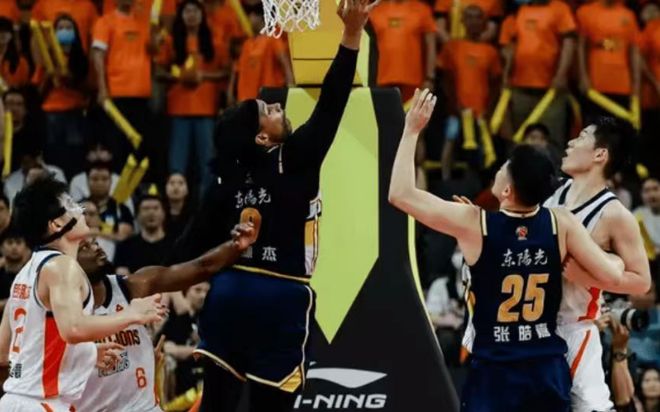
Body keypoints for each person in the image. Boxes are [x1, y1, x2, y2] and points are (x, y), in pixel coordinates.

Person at [170, 1, 376, 410]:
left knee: (216, 406)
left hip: (228, 294)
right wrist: (352, 34)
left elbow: (190, 242)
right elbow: (332, 102)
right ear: (262, 139)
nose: (279, 107)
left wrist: (157, 289)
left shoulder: (226, 179)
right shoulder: (293, 158)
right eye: (269, 111)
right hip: (281, 294)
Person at [389, 89, 627, 411]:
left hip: (496, 372)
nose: (499, 169)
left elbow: (400, 194)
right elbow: (612, 275)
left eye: (504, 167)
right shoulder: (561, 222)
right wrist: (609, 259)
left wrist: (411, 130)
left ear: (506, 190)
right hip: (546, 370)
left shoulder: (474, 223)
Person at [0, 176, 165, 411]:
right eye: (70, 205)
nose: (80, 209)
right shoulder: (62, 266)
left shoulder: (25, 273)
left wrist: (87, 354)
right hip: (41, 404)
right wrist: (133, 314)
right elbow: (74, 328)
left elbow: (3, 353)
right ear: (56, 224)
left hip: (15, 401)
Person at [72, 220, 256, 412]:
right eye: (84, 248)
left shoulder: (131, 286)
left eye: (94, 242)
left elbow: (201, 267)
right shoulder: (62, 313)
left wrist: (236, 245)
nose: (96, 248)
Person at [544, 117, 652, 412]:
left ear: (600, 154)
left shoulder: (614, 214)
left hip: (574, 326)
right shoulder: (552, 191)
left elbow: (641, 281)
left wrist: (586, 276)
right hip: (533, 324)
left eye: (580, 137)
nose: (570, 143)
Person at [157, 0, 227, 195]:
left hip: (206, 110)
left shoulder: (214, 41)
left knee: (207, 164)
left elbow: (226, 71)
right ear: (180, 15)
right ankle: (175, 202)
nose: (191, 15)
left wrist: (202, 76)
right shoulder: (171, 41)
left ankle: (207, 203)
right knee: (177, 164)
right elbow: (158, 71)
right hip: (178, 110)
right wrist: (181, 77)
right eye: (187, 11)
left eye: (195, 11)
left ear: (202, 14)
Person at [33, 14, 90, 180]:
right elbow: (36, 93)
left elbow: (90, 88)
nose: (64, 31)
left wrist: (70, 78)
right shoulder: (46, 57)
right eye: (60, 28)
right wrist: (48, 77)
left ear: (75, 32)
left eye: (68, 27)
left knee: (75, 156)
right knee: (52, 155)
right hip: (51, 113)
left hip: (74, 113)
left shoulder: (81, 59)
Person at [576, 0, 641, 120]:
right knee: (594, 127)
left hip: (622, 85)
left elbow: (634, 50)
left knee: (618, 127)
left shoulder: (628, 15)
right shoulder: (585, 12)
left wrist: (636, 84)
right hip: (594, 84)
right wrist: (583, 77)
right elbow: (580, 46)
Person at [369, 0, 436, 101]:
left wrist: (429, 78)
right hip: (380, 80)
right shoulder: (374, 10)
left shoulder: (422, 10)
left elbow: (430, 46)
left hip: (413, 83)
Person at [231, 5, 294, 103]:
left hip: (268, 100)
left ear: (260, 17)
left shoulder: (273, 40)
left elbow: (285, 64)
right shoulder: (247, 44)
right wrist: (231, 91)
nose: (249, 19)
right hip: (245, 101)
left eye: (252, 15)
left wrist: (291, 91)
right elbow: (237, 71)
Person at [159, 282, 209, 396]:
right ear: (186, 292)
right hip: (182, 389)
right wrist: (202, 349)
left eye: (207, 292)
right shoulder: (177, 321)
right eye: (197, 290)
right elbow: (169, 349)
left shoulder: (209, 320)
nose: (203, 295)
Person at [114, 195, 172, 275]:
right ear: (137, 215)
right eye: (146, 209)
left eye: (156, 208)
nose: (151, 213)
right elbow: (122, 274)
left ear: (164, 213)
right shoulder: (125, 246)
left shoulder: (176, 245)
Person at [85, 161, 134, 243]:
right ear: (87, 181)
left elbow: (122, 236)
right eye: (95, 179)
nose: (100, 183)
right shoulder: (77, 207)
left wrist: (93, 232)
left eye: (104, 179)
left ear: (111, 181)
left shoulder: (122, 209)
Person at [0, 228, 30, 314]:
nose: (14, 247)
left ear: (26, 248)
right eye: (10, 242)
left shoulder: (32, 274)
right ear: (1, 248)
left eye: (18, 242)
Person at [164, 173, 193, 240]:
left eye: (181, 183)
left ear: (187, 190)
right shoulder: (159, 214)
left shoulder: (193, 216)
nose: (176, 187)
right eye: (172, 183)